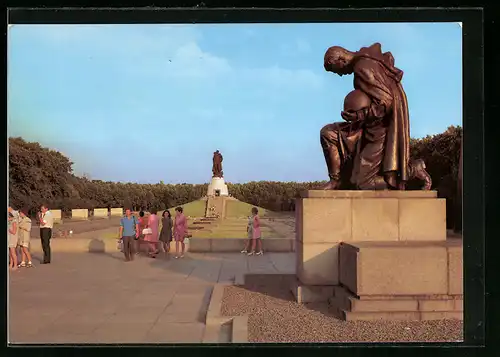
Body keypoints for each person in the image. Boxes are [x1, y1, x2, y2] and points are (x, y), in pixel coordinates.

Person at [320, 43, 411, 190]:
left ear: (340, 60)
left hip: (379, 133)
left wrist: (359, 115)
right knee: (329, 133)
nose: (340, 74)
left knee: (361, 183)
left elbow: (386, 103)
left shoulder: (363, 67)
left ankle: (406, 173)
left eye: (336, 71)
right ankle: (336, 180)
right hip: (366, 126)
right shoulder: (365, 62)